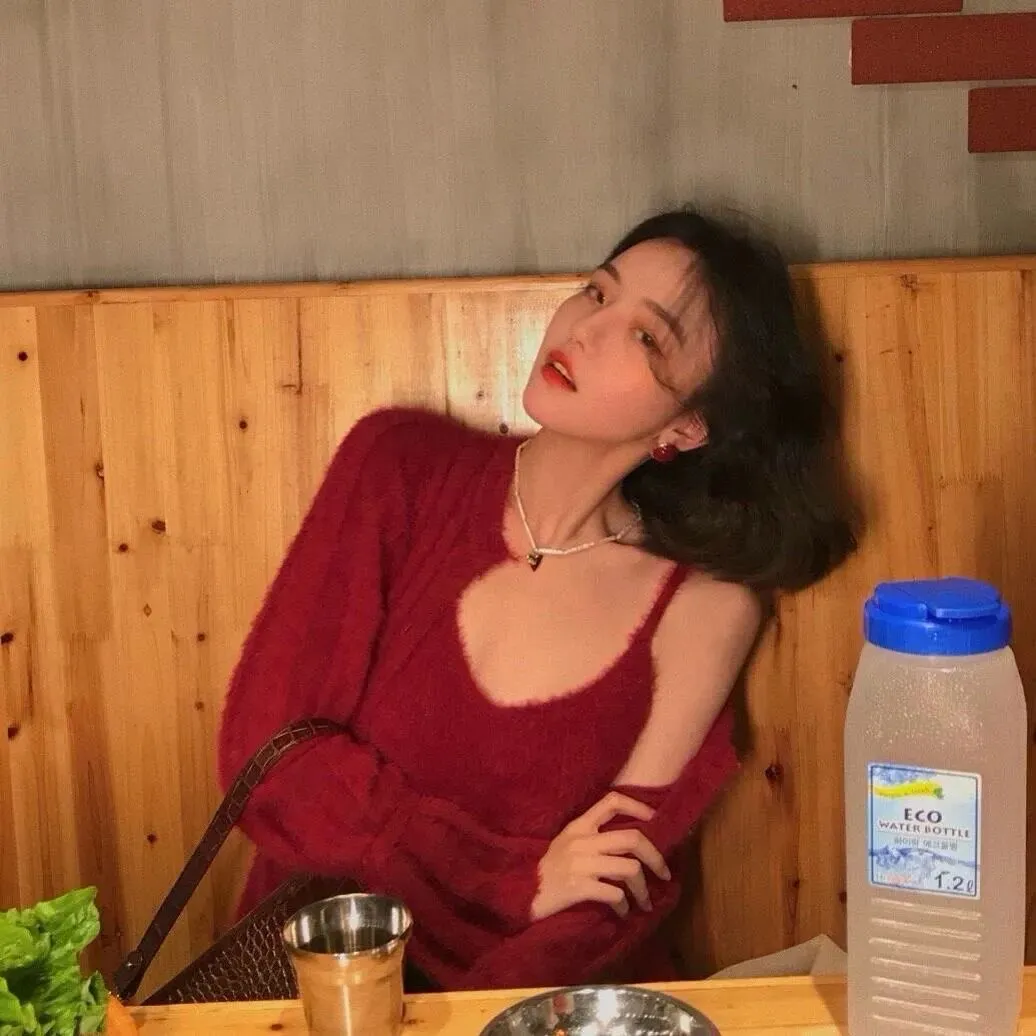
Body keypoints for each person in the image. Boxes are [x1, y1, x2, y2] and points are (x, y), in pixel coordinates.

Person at [217, 208, 856, 991]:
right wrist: (505, 877)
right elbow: (266, 756)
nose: (585, 329)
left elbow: (603, 908)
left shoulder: (704, 608)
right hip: (316, 992)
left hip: (533, 1008)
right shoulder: (398, 467)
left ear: (690, 426)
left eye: (646, 335)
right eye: (596, 292)